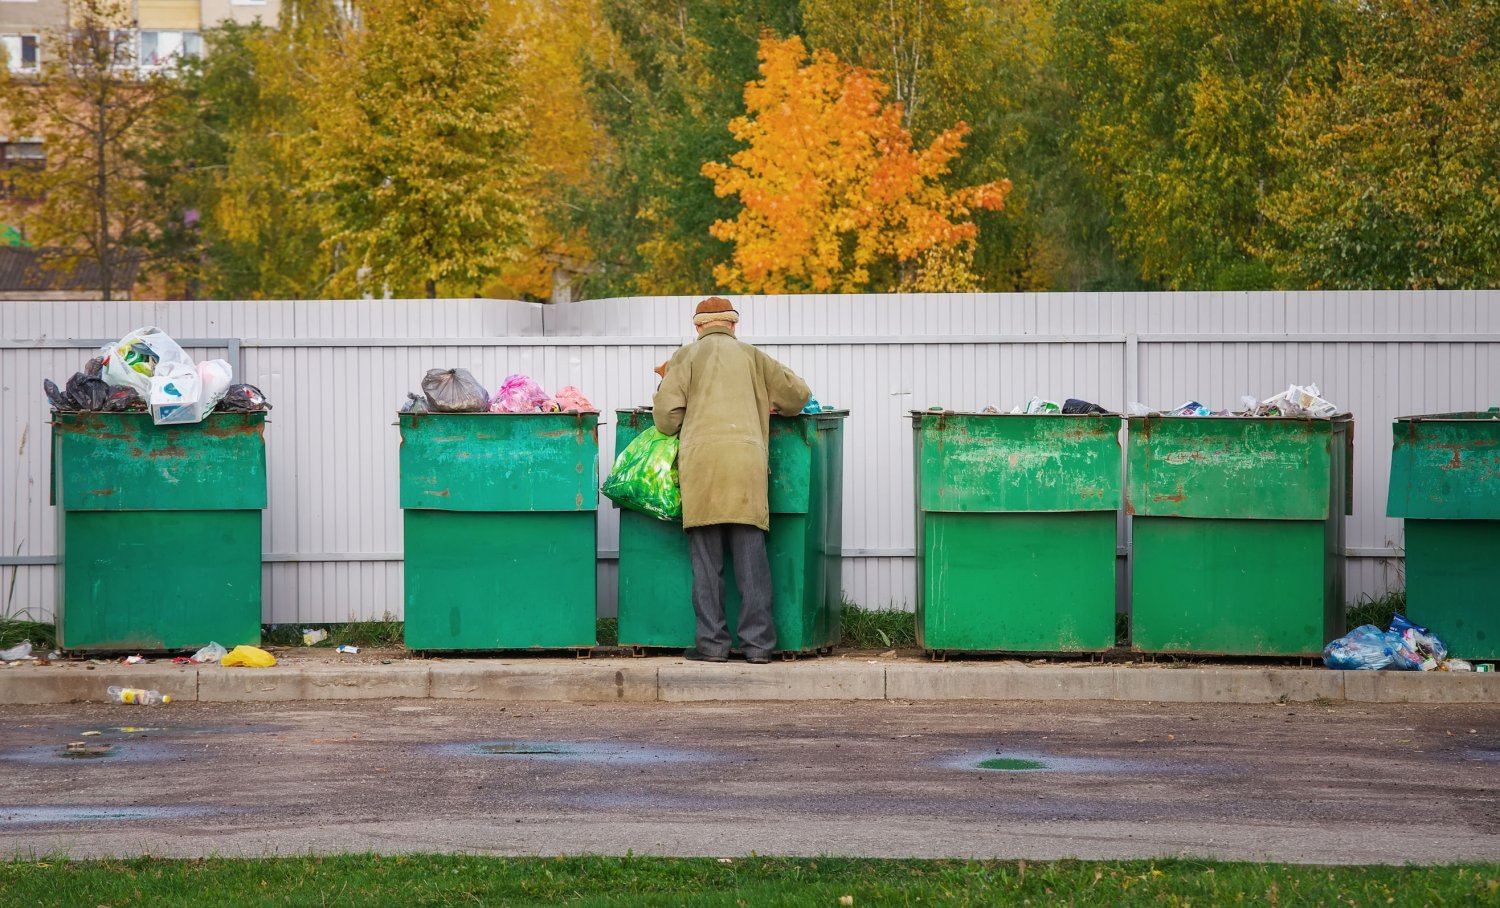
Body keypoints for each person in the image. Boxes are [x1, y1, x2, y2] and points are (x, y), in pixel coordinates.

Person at [652, 297, 811, 664]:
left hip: (703, 467)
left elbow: (666, 420)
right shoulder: (754, 357)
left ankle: (712, 645)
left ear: (698, 327)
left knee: (707, 562)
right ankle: (757, 646)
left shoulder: (685, 358)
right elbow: (799, 396)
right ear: (733, 325)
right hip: (746, 465)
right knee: (751, 558)